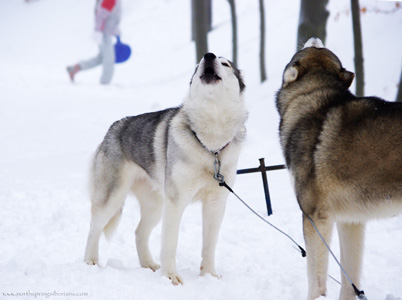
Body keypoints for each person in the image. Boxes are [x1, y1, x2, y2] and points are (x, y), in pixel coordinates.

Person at [67, 0, 122, 85]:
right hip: (104, 34)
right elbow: (101, 15)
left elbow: (113, 16)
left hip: (107, 32)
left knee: (101, 58)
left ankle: (75, 68)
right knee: (109, 60)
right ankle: (105, 84)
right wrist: (97, 31)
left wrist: (116, 31)